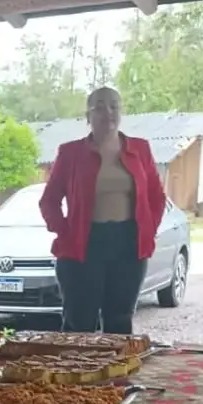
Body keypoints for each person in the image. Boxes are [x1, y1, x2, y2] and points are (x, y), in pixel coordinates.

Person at [40, 85, 165, 335]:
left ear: (121, 113)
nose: (107, 112)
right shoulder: (70, 152)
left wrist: (147, 231)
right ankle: (74, 373)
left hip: (128, 243)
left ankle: (117, 375)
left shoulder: (140, 149)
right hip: (84, 245)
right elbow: (49, 201)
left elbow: (156, 197)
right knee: (80, 323)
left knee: (120, 320)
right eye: (99, 106)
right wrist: (65, 232)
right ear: (88, 115)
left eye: (113, 106)